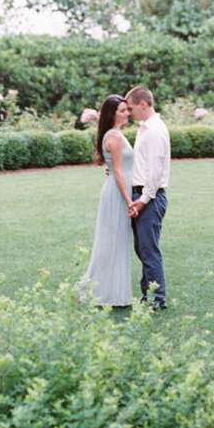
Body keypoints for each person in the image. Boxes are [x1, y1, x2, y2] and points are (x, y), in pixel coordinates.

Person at [78, 94, 134, 308]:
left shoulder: (114, 135)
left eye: (126, 109)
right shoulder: (115, 137)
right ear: (112, 114)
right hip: (119, 193)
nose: (127, 113)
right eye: (122, 110)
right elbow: (118, 172)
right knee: (110, 242)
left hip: (118, 189)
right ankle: (91, 289)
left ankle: (112, 292)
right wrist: (129, 201)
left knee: (117, 242)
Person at [124, 85, 170, 310]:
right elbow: (141, 165)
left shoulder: (154, 131)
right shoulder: (145, 129)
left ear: (143, 104)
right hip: (142, 194)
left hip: (150, 197)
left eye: (131, 108)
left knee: (149, 251)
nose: (129, 113)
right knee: (143, 249)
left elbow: (154, 172)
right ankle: (148, 295)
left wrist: (142, 201)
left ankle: (156, 299)